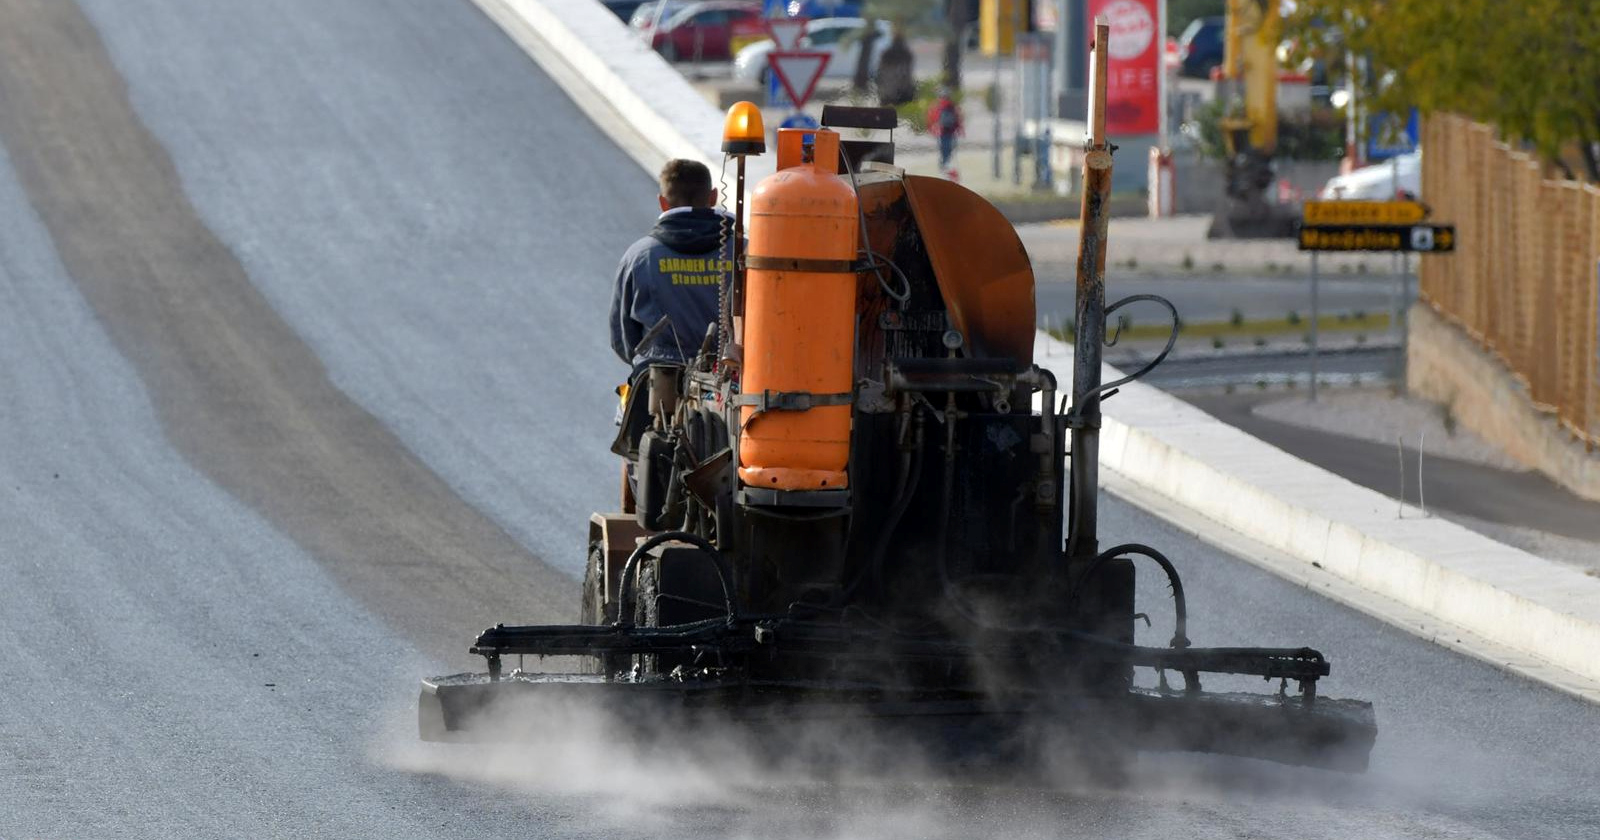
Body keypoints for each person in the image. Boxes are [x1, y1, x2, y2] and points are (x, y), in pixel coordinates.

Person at [609, 158, 732, 376]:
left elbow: (622, 338)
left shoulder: (640, 256)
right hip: (728, 379)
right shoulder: (744, 251)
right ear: (712, 197)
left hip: (660, 381)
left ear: (662, 202)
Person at [927, 87, 963, 179]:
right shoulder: (952, 106)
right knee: (949, 149)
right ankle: (946, 166)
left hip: (942, 131)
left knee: (944, 149)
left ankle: (944, 166)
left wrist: (931, 129)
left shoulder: (937, 106)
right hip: (950, 131)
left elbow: (932, 118)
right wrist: (960, 129)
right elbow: (958, 118)